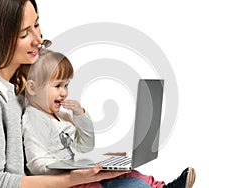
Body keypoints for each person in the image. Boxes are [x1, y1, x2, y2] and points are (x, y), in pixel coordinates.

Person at [0, 0, 134, 187]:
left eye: (37, 25)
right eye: (24, 33)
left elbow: (43, 151)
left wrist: (91, 163)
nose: (38, 40)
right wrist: (69, 179)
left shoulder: (18, 88)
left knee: (130, 177)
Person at [22, 49, 196, 188]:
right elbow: (35, 164)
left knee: (129, 172)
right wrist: (69, 169)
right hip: (66, 181)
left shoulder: (62, 115)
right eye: (58, 85)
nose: (64, 92)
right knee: (122, 184)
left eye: (66, 85)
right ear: (32, 88)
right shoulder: (33, 117)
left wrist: (80, 115)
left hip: (78, 171)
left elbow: (85, 145)